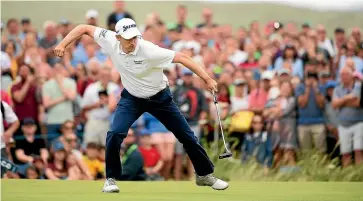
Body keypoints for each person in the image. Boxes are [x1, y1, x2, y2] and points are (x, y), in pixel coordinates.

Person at [54, 18, 228, 192]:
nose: (133, 41)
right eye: (128, 38)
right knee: (115, 133)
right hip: (132, 98)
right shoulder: (109, 39)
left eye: (135, 37)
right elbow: (83, 27)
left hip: (160, 98)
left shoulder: (149, 50)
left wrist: (207, 79)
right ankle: (111, 179)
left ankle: (204, 175)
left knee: (187, 135)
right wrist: (63, 44)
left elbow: (182, 58)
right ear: (118, 37)